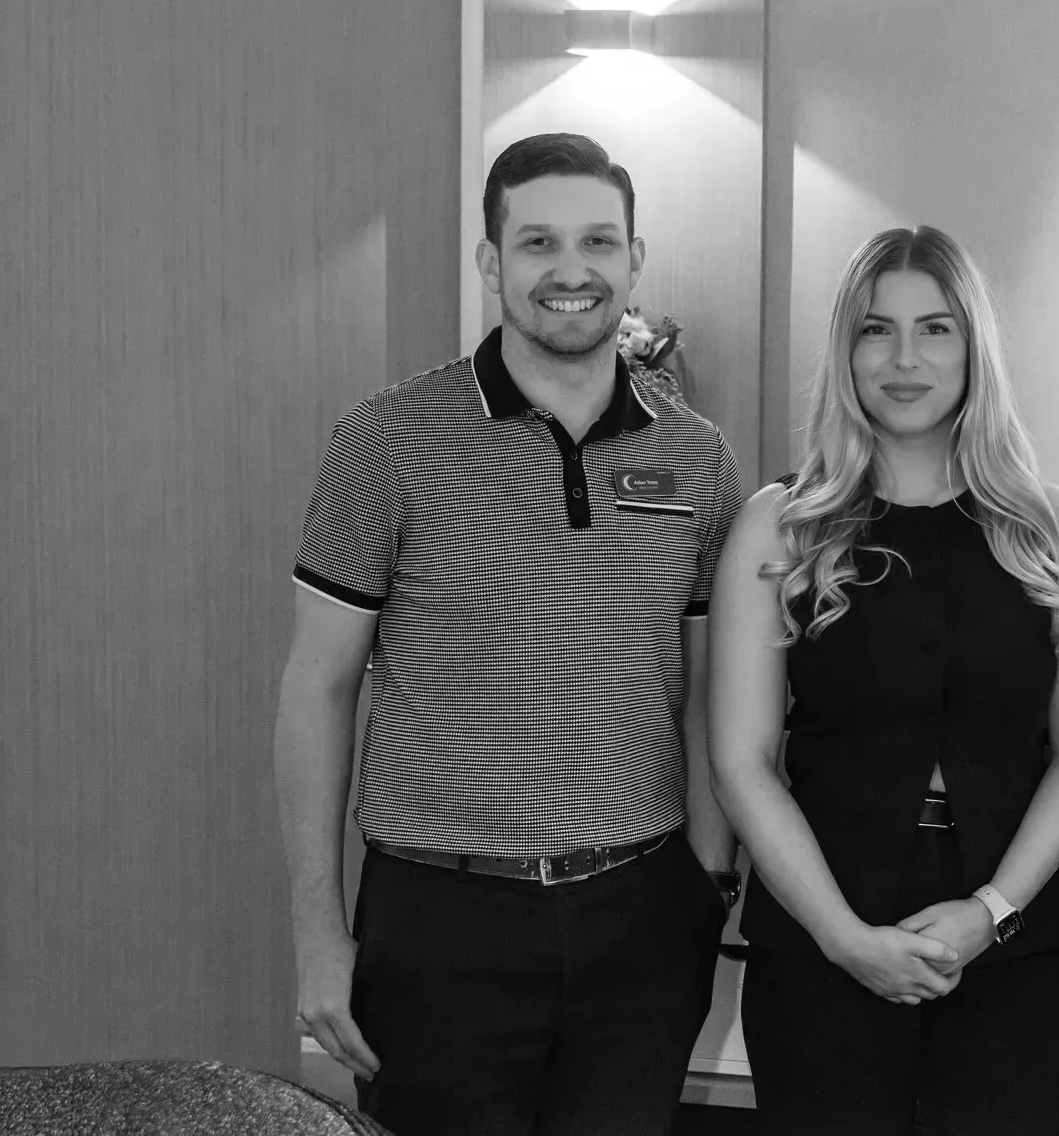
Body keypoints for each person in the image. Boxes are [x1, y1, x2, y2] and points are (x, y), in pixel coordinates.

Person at [274, 133, 745, 1136]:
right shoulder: (387, 440)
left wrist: (706, 884)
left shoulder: (699, 459)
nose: (571, 272)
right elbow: (317, 687)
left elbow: (709, 695)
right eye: (537, 243)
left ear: (633, 260)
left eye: (597, 243)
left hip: (641, 917)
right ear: (492, 263)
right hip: (440, 924)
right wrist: (319, 929)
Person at [706, 226, 1059, 1135]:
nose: (902, 359)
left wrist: (990, 911)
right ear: (843, 350)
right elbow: (740, 761)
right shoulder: (779, 527)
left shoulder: (1053, 528)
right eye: (873, 330)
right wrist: (843, 937)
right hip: (821, 930)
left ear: (974, 349)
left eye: (934, 329)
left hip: (1007, 933)